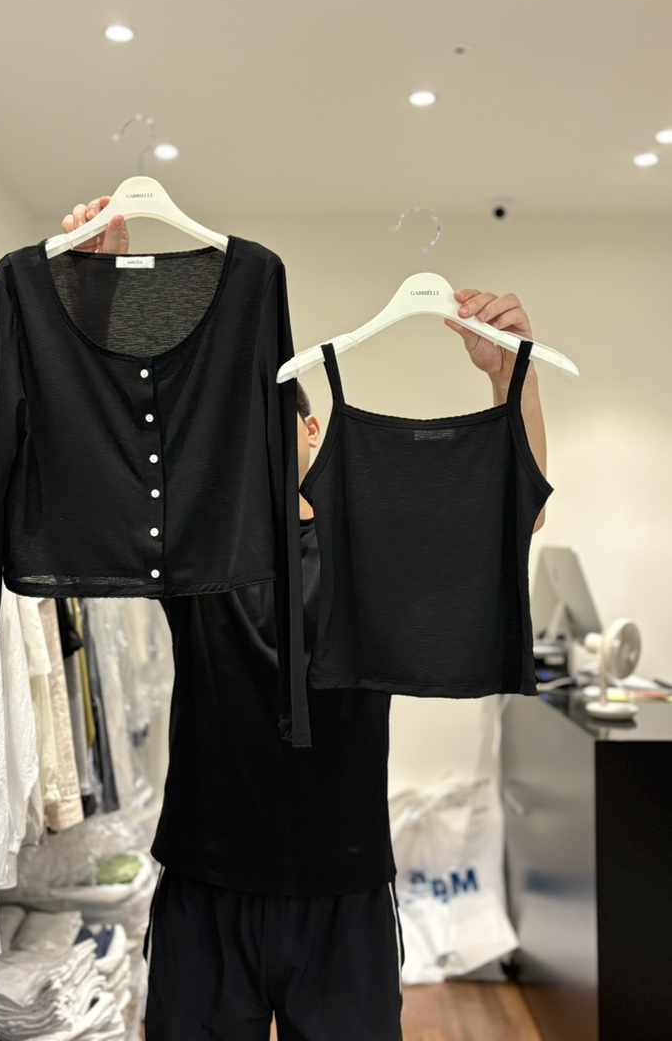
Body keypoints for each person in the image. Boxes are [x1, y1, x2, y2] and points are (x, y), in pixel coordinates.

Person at [61, 199, 549, 1041]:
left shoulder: (375, 543)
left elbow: (513, 514)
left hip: (344, 892)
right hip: (207, 889)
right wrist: (103, 289)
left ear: (312, 429)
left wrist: (512, 381)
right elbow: (104, 444)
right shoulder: (195, 547)